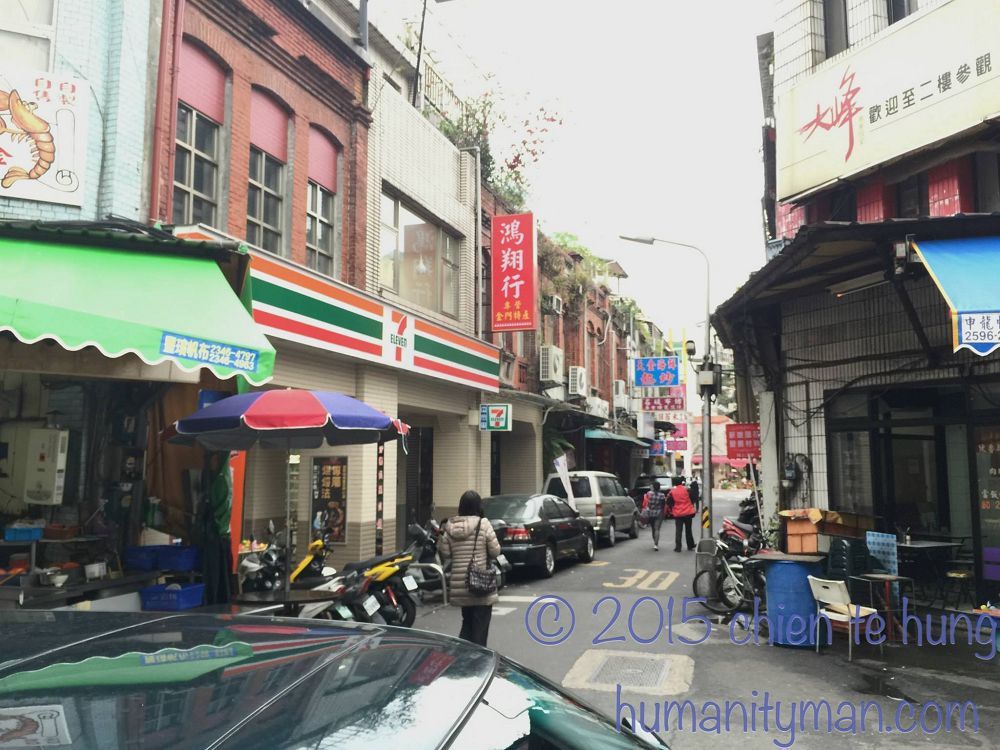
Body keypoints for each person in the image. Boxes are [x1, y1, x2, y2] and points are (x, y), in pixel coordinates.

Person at [439, 490, 501, 647]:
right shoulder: (483, 524)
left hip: (461, 584)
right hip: (480, 583)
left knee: (467, 623)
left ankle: (463, 654)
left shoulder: (450, 527)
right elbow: (495, 551)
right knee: (480, 628)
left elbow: (445, 553)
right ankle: (478, 659)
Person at [666, 476, 696, 552]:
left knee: (678, 530)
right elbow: (693, 498)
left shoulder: (672, 491)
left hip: (678, 513)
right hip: (688, 512)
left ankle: (678, 547)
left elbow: (669, 502)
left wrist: (673, 508)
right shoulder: (687, 489)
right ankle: (690, 545)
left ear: (674, 483)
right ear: (681, 482)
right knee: (688, 530)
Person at [640, 480, 669, 551]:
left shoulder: (649, 494)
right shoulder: (662, 495)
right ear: (659, 487)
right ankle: (656, 544)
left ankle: (654, 541)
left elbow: (646, 502)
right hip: (659, 513)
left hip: (650, 513)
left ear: (653, 487)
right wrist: (664, 514)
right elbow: (663, 505)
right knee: (657, 529)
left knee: (653, 529)